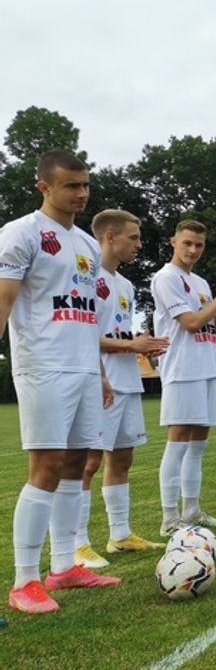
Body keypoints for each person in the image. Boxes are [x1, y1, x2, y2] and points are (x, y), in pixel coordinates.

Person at [1, 151, 120, 614]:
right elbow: (5, 301)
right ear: (44, 187)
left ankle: (65, 566)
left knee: (77, 464)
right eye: (72, 186)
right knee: (47, 465)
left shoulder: (87, 246)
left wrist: (102, 372)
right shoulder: (22, 233)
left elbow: (88, 317)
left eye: (85, 185)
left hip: (84, 368)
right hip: (43, 366)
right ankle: (24, 580)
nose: (82, 194)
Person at [75, 209, 169, 569]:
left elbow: (113, 332)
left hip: (127, 380)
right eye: (133, 238)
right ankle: (78, 544)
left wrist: (141, 343)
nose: (139, 245)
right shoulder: (86, 277)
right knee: (88, 462)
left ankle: (120, 535)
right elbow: (84, 333)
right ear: (110, 237)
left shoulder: (126, 285)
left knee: (123, 459)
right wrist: (132, 347)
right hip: (99, 380)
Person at [151, 219, 216, 535]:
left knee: (199, 444)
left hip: (204, 368)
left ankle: (191, 510)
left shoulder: (202, 283)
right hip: (181, 368)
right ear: (173, 242)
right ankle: (169, 517)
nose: (193, 249)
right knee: (177, 441)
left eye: (199, 245)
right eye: (187, 243)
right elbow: (190, 322)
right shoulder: (166, 278)